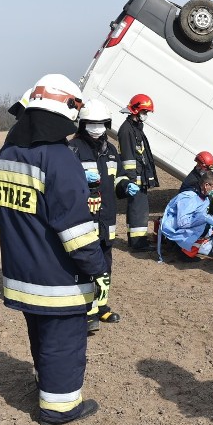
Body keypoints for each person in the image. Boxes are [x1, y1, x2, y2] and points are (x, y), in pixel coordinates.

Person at [0, 74, 105, 425]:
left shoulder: (5, 154)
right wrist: (97, 267)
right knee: (64, 341)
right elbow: (77, 231)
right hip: (58, 279)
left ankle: (44, 382)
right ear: (66, 110)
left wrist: (22, 243)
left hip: (20, 274)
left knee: (39, 332)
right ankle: (60, 407)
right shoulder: (58, 159)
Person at [68, 98, 139, 330]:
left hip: (106, 219)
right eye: (91, 123)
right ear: (83, 124)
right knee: (84, 265)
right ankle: (85, 312)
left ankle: (101, 307)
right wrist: (81, 180)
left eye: (101, 123)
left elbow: (117, 177)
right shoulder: (73, 149)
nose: (97, 128)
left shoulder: (110, 151)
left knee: (105, 264)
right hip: (83, 219)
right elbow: (64, 184)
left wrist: (125, 185)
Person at [117, 93, 159, 252]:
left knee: (140, 210)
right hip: (135, 179)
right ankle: (137, 243)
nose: (146, 115)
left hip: (140, 177)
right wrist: (132, 181)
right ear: (135, 111)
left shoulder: (135, 128)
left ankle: (139, 240)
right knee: (137, 210)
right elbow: (128, 159)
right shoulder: (127, 130)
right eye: (144, 112)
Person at [159, 170, 213, 262]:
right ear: (206, 185)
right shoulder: (190, 197)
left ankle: (184, 247)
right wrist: (203, 219)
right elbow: (182, 222)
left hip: (185, 224)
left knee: (209, 226)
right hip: (174, 226)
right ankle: (184, 253)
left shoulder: (204, 197)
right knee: (204, 228)